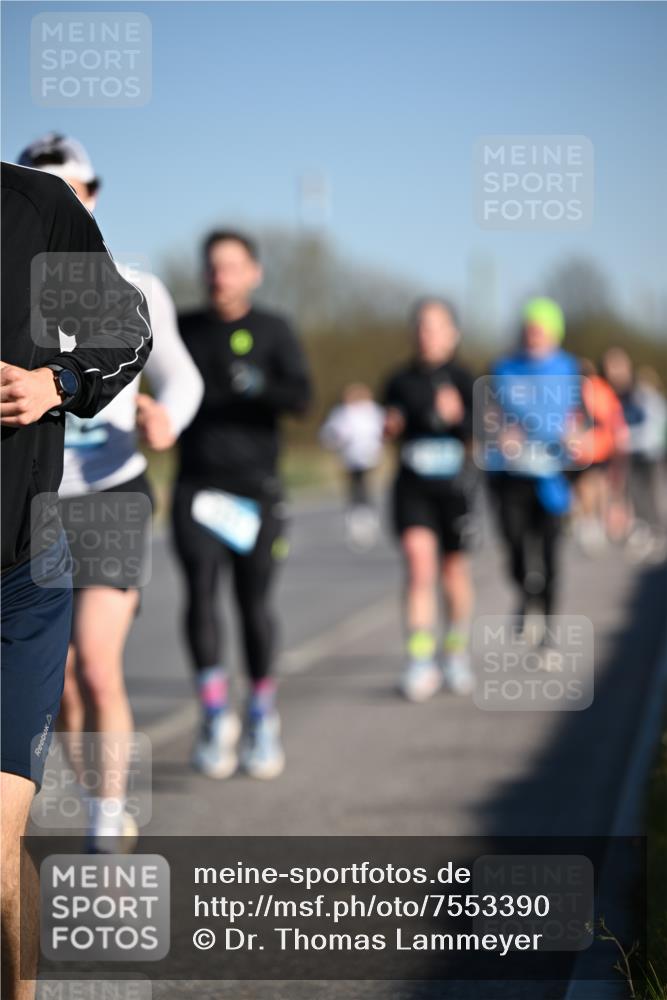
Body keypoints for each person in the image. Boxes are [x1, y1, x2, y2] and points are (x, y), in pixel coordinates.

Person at [18, 134, 204, 851]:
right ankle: (98, 792)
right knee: (58, 681)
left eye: (74, 189)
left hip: (114, 495)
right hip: (40, 500)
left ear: (93, 197)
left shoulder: (136, 285)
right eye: (44, 188)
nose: (60, 202)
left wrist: (168, 417)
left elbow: (184, 377)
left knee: (96, 661)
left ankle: (108, 810)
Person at [1, 160, 152, 999]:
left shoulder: (36, 211)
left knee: (99, 667)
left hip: (36, 550)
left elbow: (128, 338)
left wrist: (55, 383)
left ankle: (106, 809)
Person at [172, 230, 312, 780]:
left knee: (253, 605)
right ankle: (213, 716)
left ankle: (260, 716)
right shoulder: (183, 329)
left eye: (230, 267)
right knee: (200, 595)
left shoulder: (274, 329)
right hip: (196, 486)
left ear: (254, 272)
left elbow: (302, 398)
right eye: (211, 267)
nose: (219, 276)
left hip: (257, 491)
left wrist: (260, 385)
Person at [382, 298, 477, 702]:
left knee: (453, 572)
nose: (427, 333)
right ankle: (420, 660)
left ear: (453, 333)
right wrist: (388, 426)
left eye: (436, 326)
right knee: (419, 567)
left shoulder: (467, 379)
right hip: (413, 487)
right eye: (421, 326)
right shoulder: (398, 380)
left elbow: (485, 438)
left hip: (455, 490)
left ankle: (454, 652)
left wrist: (460, 418)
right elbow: (383, 431)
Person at [485, 297, 580, 645]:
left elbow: (583, 419)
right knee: (514, 548)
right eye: (529, 330)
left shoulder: (570, 370)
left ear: (555, 333)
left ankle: (549, 628)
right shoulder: (502, 369)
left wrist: (576, 436)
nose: (533, 336)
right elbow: (486, 417)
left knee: (551, 552)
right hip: (510, 475)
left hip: (554, 477)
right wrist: (497, 433)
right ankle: (526, 596)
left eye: (541, 330)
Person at [601, 348, 667, 559]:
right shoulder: (610, 393)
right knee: (630, 493)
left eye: (617, 365)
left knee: (647, 494)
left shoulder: (640, 392)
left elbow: (654, 423)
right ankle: (643, 530)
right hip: (625, 452)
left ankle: (655, 532)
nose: (614, 371)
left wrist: (628, 438)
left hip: (647, 452)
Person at [570, 358, 628, 556]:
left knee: (587, 485)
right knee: (599, 484)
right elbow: (615, 416)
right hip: (603, 444)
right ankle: (598, 521)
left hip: (589, 445)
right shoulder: (604, 388)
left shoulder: (582, 388)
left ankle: (591, 524)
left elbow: (585, 417)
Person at [319, 382, 385, 550]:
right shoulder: (344, 412)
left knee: (362, 487)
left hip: (366, 456)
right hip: (351, 457)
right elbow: (332, 434)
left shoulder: (370, 411)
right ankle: (357, 518)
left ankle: (364, 518)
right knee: (356, 487)